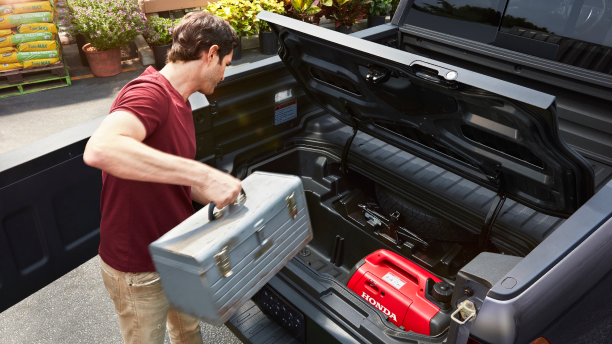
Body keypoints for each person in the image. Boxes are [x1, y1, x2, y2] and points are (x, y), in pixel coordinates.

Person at [83, 12, 242, 344]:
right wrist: (202, 173)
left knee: (188, 333)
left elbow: (169, 175)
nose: (224, 75)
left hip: (174, 253)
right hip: (137, 267)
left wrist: (220, 191)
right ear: (210, 53)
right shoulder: (149, 93)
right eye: (225, 63)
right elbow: (101, 149)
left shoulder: (180, 100)